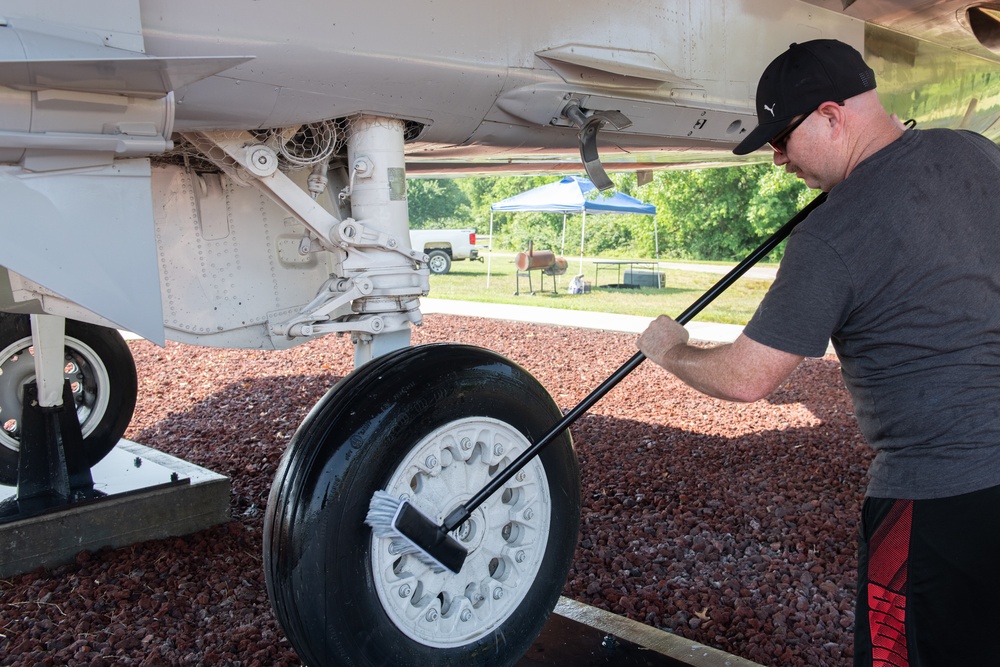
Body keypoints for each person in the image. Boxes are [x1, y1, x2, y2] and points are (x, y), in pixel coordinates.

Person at [637, 39, 1000, 666]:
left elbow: (748, 378)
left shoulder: (831, 235)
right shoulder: (976, 152)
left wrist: (670, 350)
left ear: (832, 116)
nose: (777, 159)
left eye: (781, 138)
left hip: (937, 501)